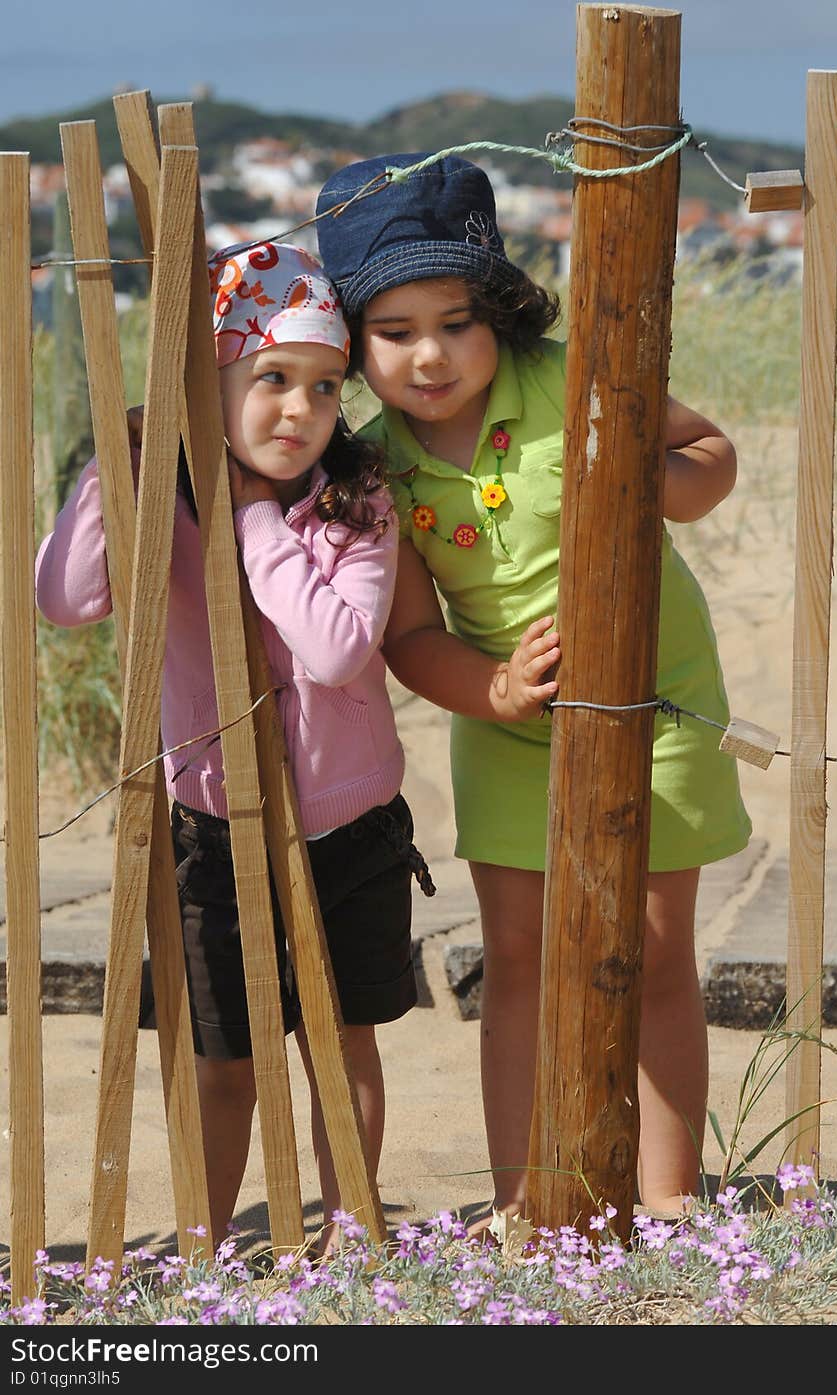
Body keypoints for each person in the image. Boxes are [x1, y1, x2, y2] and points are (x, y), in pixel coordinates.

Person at [315, 154, 752, 1226]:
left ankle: (665, 1195)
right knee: (512, 959)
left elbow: (708, 451)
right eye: (394, 329)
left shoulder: (577, 374)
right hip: (506, 724)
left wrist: (660, 480)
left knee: (650, 953)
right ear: (353, 344)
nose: (429, 354)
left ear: (498, 312)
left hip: (659, 705)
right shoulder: (374, 468)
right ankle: (524, 1196)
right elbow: (411, 636)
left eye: (454, 321)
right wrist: (497, 690)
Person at [36, 241, 429, 1254]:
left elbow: (338, 649)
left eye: (324, 386)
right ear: (205, 386)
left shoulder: (355, 502)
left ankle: (350, 1235)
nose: (299, 410)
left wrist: (257, 521)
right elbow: (67, 598)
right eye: (269, 380)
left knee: (344, 1048)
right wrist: (117, 463)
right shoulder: (157, 499)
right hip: (212, 828)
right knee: (224, 1061)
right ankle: (208, 1246)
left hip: (352, 828)